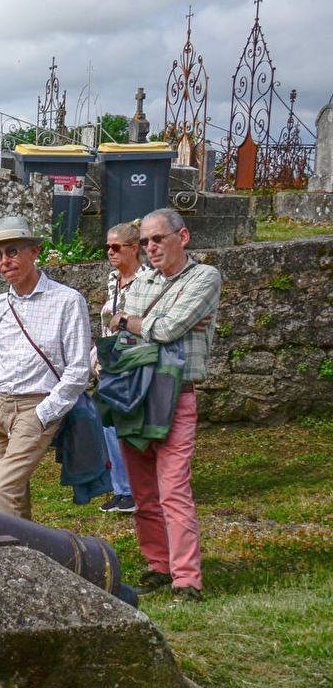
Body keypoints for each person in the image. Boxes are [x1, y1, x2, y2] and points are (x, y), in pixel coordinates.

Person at [109, 208, 221, 603]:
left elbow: (167, 328)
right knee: (142, 492)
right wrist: (132, 322)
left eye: (158, 239)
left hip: (176, 394)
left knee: (173, 490)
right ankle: (159, 565)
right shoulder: (142, 280)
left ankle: (187, 579)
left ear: (183, 237)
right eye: (144, 242)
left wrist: (131, 320)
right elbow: (120, 332)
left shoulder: (204, 277)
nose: (150, 247)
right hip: (136, 392)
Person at [0, 216, 94, 521]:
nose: (4, 261)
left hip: (36, 406)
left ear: (35, 251)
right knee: (10, 491)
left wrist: (44, 413)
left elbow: (79, 369)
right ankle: (27, 555)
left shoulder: (67, 301)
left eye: (11, 251)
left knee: (1, 490)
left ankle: (2, 557)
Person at [96, 221, 148, 514]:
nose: (110, 252)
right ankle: (121, 489)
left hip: (136, 360)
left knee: (131, 427)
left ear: (134, 248)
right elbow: (106, 325)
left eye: (116, 247)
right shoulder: (113, 280)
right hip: (111, 362)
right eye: (107, 247)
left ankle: (135, 489)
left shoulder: (148, 281)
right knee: (108, 424)